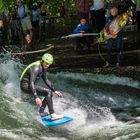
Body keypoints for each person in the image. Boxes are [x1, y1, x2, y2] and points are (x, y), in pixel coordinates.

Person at [20, 53, 64, 120]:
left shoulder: (43, 67)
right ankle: (53, 115)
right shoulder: (36, 68)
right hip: (25, 86)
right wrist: (36, 97)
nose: (47, 65)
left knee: (49, 93)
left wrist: (54, 90)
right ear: (42, 61)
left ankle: (40, 112)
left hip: (30, 85)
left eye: (49, 64)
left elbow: (46, 80)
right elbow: (31, 82)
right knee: (47, 92)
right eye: (46, 63)